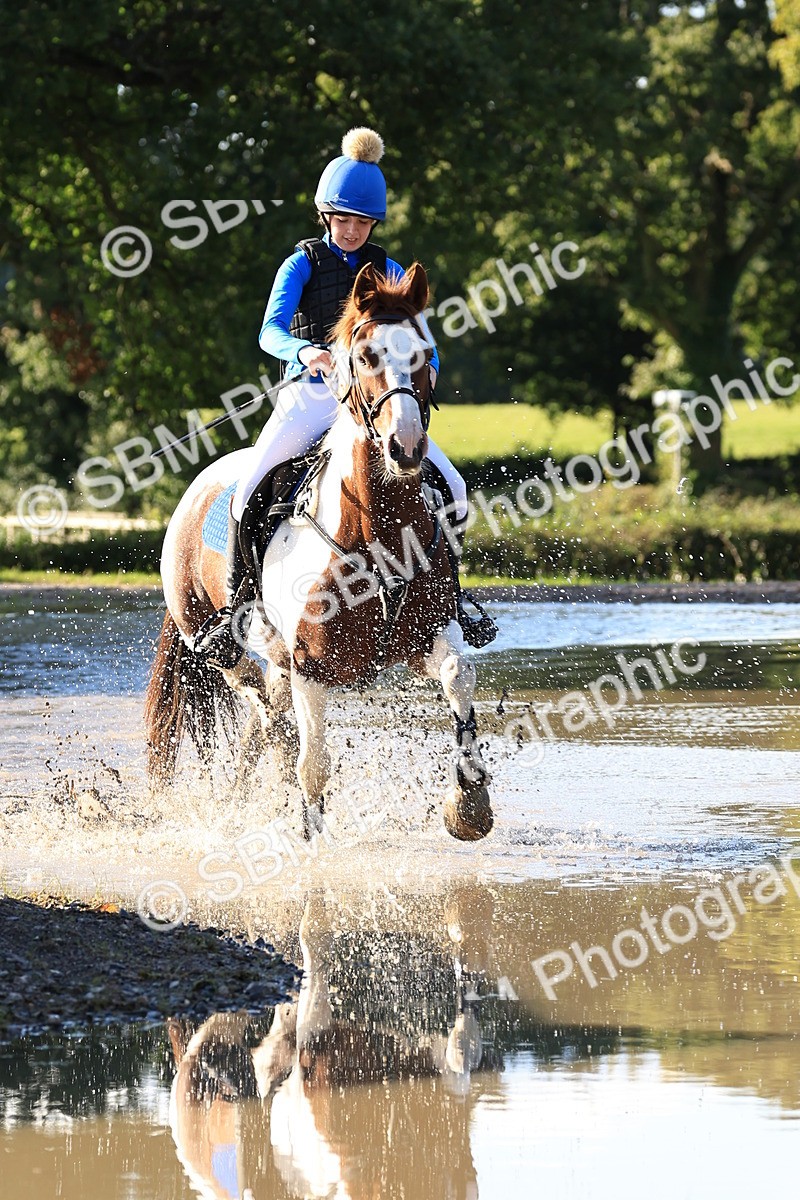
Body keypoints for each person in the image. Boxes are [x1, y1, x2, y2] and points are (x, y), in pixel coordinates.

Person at [196, 127, 495, 668]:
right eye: (343, 220)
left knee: (452, 484)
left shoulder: (392, 270)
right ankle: (238, 611)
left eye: (362, 222)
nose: (353, 230)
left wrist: (426, 366)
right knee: (249, 490)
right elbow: (269, 331)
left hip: (377, 399)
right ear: (326, 217)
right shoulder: (302, 264)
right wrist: (305, 352)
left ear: (373, 223)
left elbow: (423, 340)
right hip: (312, 395)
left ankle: (452, 597)